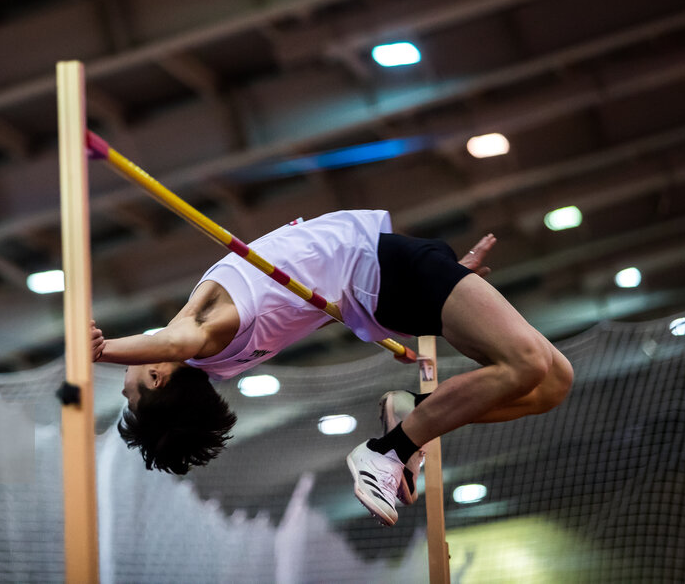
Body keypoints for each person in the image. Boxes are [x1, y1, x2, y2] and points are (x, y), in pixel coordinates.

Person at [90, 210, 573, 526]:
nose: (122, 388)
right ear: (157, 376)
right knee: (529, 364)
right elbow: (176, 339)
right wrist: (102, 350)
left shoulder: (226, 362)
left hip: (391, 287)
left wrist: (452, 288)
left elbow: (307, 311)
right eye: (129, 392)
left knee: (553, 383)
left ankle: (412, 416)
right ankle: (391, 447)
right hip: (387, 273)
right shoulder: (207, 333)